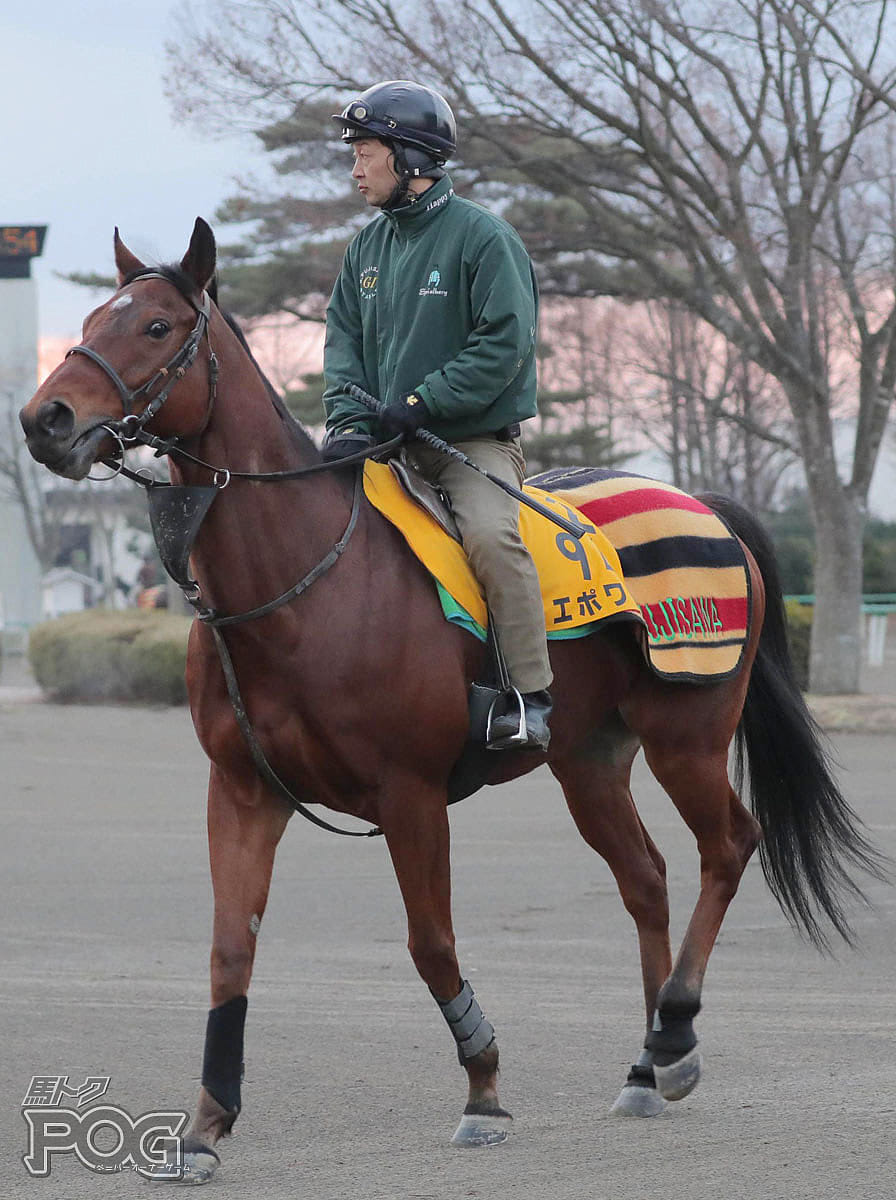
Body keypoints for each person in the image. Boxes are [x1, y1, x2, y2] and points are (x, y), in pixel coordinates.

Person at [321, 80, 552, 750]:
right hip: (383, 446)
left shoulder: (485, 239)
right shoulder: (365, 249)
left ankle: (529, 698)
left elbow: (504, 346)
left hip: (470, 446)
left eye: (365, 151)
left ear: (412, 158)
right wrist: (346, 425)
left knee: (490, 538)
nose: (355, 167)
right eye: (355, 153)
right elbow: (342, 347)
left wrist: (423, 403)